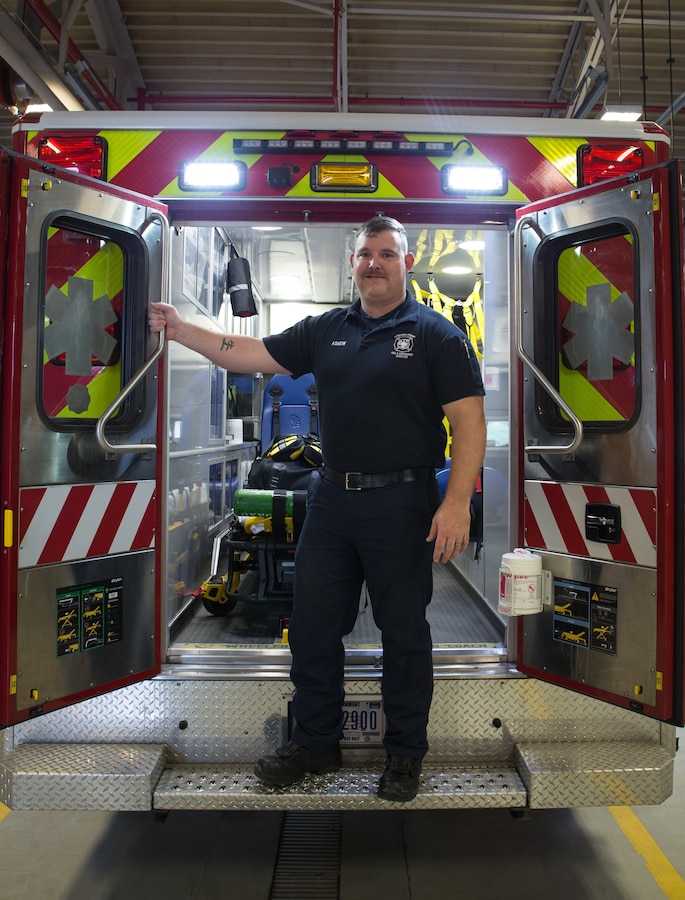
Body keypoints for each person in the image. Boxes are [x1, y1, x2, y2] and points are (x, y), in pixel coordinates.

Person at [149, 215, 486, 801]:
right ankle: (314, 742)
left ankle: (405, 755)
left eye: (386, 253)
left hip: (402, 502)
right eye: (364, 255)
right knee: (311, 627)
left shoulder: (436, 335)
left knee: (403, 633)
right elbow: (245, 354)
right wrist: (181, 331)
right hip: (330, 498)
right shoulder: (326, 329)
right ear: (352, 263)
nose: (374, 263)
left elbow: (469, 422)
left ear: (405, 262)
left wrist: (455, 504)